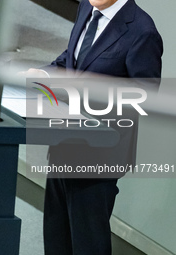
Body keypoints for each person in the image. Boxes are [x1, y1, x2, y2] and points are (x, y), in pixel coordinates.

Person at [22, 0, 163, 254]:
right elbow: (72, 60)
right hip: (62, 145)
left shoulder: (143, 31)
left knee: (88, 245)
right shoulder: (87, 8)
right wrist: (45, 75)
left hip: (97, 159)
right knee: (56, 239)